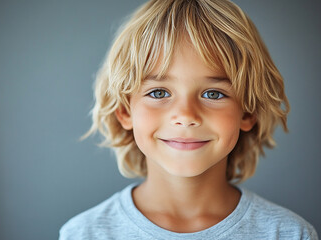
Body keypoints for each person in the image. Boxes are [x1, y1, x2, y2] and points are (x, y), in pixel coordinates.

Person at [59, 0, 319, 239]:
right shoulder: (83, 233)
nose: (186, 116)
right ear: (126, 111)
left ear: (248, 111)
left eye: (213, 93)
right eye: (159, 93)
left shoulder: (289, 234)